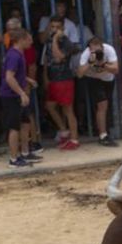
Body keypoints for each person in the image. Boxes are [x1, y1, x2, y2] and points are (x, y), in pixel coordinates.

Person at [0, 28, 41, 168]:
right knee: (14, 127)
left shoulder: (17, 54)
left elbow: (15, 74)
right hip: (11, 96)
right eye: (28, 39)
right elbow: (9, 77)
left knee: (25, 123)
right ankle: (13, 158)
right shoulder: (14, 55)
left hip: (16, 94)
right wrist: (22, 93)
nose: (31, 41)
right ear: (20, 40)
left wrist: (27, 80)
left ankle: (24, 152)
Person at [43, 16, 80, 150]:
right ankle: (64, 131)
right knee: (49, 106)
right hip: (53, 78)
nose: (54, 30)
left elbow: (58, 58)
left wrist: (55, 40)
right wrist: (46, 77)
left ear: (63, 29)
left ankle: (74, 139)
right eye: (52, 27)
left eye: (57, 27)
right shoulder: (48, 40)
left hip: (64, 78)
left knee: (68, 110)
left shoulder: (66, 43)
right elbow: (47, 59)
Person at [76, 37, 119, 147]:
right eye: (92, 49)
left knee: (105, 106)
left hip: (108, 79)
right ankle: (103, 135)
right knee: (102, 104)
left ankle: (104, 131)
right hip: (93, 79)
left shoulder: (109, 50)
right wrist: (90, 62)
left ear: (102, 47)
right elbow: (79, 74)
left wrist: (103, 64)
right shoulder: (86, 53)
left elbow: (116, 69)